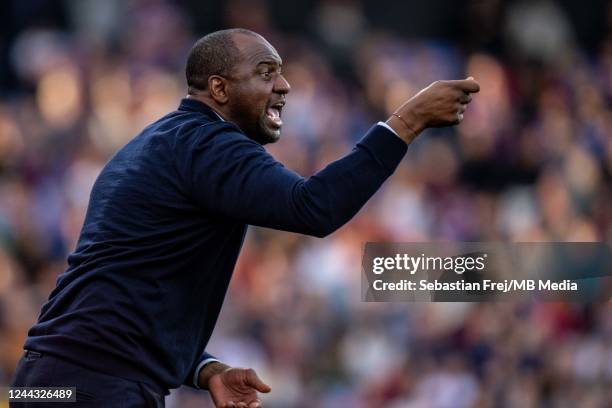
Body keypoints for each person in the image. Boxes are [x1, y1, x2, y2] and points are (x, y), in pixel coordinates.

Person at [11, 28, 479, 407]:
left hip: (49, 380)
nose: (284, 85)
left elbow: (133, 286)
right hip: (94, 387)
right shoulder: (207, 144)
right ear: (219, 88)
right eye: (265, 72)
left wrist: (202, 367)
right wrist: (406, 122)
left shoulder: (157, 144)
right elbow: (314, 207)